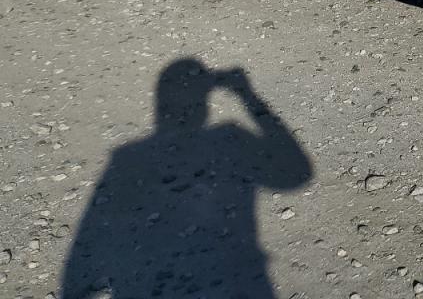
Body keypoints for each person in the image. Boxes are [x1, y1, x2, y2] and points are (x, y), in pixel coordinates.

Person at [61, 59, 312, 298]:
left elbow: (90, 233)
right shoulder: (229, 138)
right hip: (237, 280)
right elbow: (296, 174)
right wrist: (246, 94)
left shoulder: (127, 158)